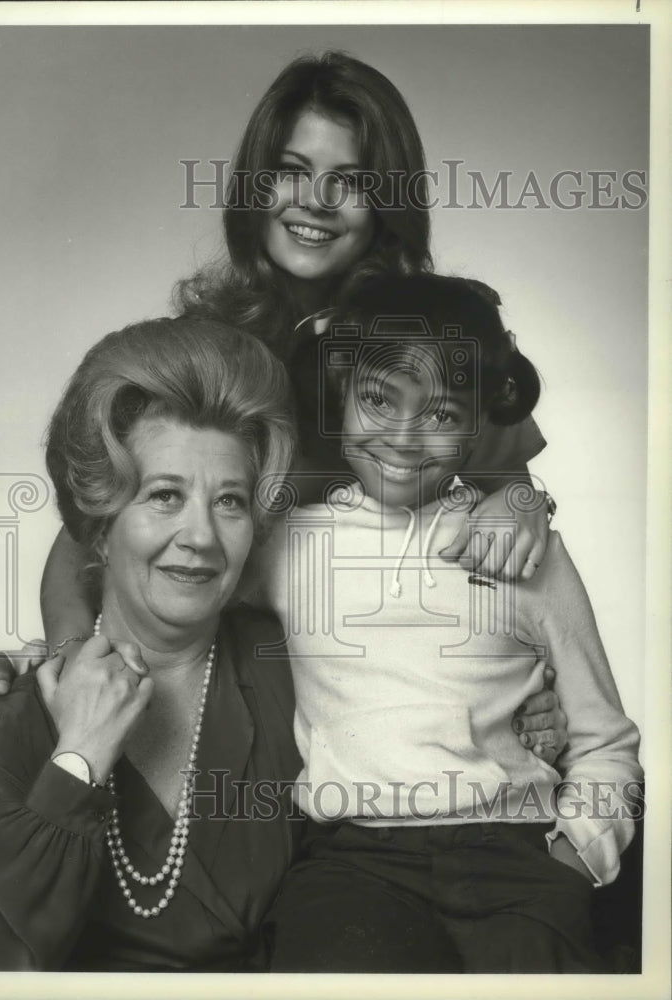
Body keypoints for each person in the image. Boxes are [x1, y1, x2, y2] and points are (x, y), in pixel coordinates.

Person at [0, 51, 564, 763]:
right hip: (244, 715)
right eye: (290, 171)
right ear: (254, 186)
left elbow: (516, 539)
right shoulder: (207, 353)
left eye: (351, 182)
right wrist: (65, 673)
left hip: (404, 725)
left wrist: (534, 676)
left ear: (387, 204)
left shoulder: (437, 341)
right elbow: (86, 542)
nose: (315, 202)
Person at [249, 274, 642, 973]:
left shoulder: (524, 547)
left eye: (440, 414)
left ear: (482, 417)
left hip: (517, 858)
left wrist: (579, 848)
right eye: (376, 401)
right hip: (353, 860)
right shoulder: (284, 544)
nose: (401, 439)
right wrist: (46, 656)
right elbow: (164, 592)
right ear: (338, 395)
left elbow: (603, 738)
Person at [0, 318, 304, 971]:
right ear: (99, 527)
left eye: (230, 503)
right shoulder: (11, 713)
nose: (201, 537)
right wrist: (74, 763)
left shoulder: (296, 671)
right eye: (164, 496)